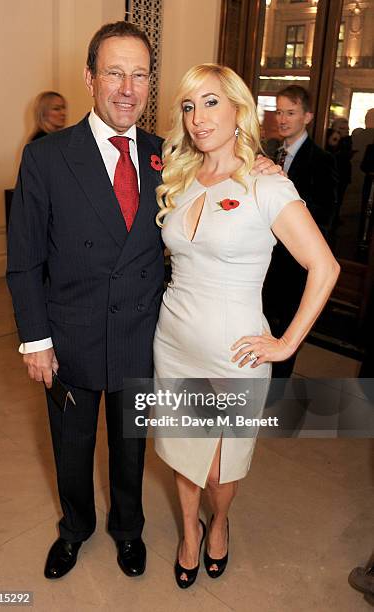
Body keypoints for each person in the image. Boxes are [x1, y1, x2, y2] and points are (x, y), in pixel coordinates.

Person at [6, 22, 278, 582]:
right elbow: (25, 261)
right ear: (90, 79)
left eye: (139, 74)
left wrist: (260, 165)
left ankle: (128, 530)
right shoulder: (47, 158)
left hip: (143, 338)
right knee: (72, 449)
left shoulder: (168, 156)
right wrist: (36, 340)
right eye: (114, 73)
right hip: (70, 339)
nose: (127, 87)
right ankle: (75, 528)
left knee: (131, 449)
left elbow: (220, 173)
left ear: (150, 83)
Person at [153, 63, 340, 588]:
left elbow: (325, 268)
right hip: (172, 343)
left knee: (217, 468)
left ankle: (221, 523)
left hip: (234, 353)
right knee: (183, 456)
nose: (198, 117)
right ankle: (190, 535)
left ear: (238, 109)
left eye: (211, 102)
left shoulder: (265, 183)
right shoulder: (180, 176)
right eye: (189, 106)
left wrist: (285, 344)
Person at [262, 85, 338, 380]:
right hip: (265, 261)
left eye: (290, 113)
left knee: (286, 331)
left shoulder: (322, 161)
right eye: (279, 112)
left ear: (307, 116)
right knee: (263, 324)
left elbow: (326, 216)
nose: (282, 119)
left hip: (295, 265)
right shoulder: (268, 151)